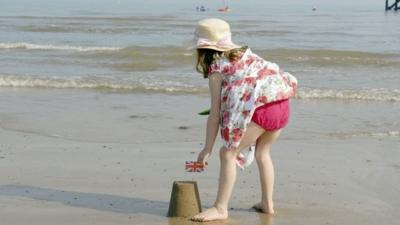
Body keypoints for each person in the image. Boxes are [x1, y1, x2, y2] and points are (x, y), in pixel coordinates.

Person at [191, 18, 297, 222]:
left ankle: (220, 208)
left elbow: (214, 115)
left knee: (227, 153)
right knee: (263, 154)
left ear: (202, 50)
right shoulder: (246, 54)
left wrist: (207, 149)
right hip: (282, 103)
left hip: (262, 111)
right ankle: (268, 204)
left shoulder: (217, 69)